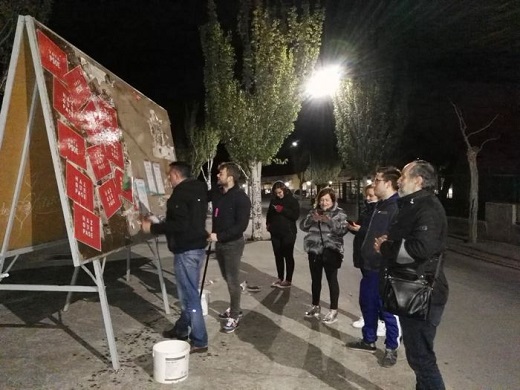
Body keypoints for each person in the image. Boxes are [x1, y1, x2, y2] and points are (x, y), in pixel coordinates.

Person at [375, 160, 449, 389]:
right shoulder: (414, 205)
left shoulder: (427, 208)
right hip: (412, 289)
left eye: (404, 177)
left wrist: (386, 247)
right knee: (418, 355)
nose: (399, 180)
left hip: (422, 293)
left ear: (418, 180)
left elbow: (420, 249)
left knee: (422, 359)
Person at [141, 161, 209, 354]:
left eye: (169, 175)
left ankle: (200, 339)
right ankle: (181, 329)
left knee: (190, 296)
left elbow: (179, 225)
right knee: (188, 294)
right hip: (197, 248)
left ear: (177, 175)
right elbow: (185, 220)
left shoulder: (179, 195)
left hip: (186, 250)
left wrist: (152, 227)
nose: (168, 178)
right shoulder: (199, 190)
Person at [346, 167, 402, 368]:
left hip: (384, 268)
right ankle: (368, 340)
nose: (374, 183)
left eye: (377, 180)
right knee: (367, 303)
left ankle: (391, 347)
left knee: (386, 309)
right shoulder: (378, 206)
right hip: (369, 266)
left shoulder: (396, 207)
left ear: (387, 183)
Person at [208, 162, 251, 333]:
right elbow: (200, 197)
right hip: (220, 244)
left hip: (233, 244)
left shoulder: (241, 198)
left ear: (231, 178)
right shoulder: (218, 194)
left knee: (232, 281)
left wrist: (219, 236)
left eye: (221, 174)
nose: (218, 175)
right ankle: (236, 306)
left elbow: (240, 226)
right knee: (228, 278)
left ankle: (234, 316)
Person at [299, 187, 348, 325]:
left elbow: (343, 230)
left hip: (331, 250)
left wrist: (329, 221)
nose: (324, 202)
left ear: (333, 200)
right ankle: (315, 306)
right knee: (315, 279)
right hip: (314, 250)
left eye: (327, 200)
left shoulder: (339, 213)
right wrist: (311, 219)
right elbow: (302, 226)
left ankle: (333, 310)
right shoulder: (314, 212)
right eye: (321, 200)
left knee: (332, 280)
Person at [348, 183, 379, 329]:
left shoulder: (380, 211)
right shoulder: (367, 209)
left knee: (373, 290)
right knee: (367, 290)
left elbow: (376, 233)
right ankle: (368, 317)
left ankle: (378, 320)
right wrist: (354, 228)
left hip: (373, 256)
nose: (368, 198)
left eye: (371, 196)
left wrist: (362, 229)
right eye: (366, 195)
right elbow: (362, 228)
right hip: (362, 251)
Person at [266, 181, 300, 289]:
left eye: (280, 192)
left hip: (288, 233)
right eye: (276, 193)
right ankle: (280, 278)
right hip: (275, 233)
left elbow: (295, 216)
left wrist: (282, 210)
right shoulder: (274, 200)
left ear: (284, 190)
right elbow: (269, 214)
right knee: (278, 256)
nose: (278, 195)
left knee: (288, 256)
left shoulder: (292, 200)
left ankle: (288, 280)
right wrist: (268, 224)